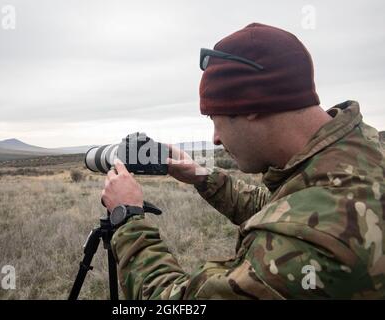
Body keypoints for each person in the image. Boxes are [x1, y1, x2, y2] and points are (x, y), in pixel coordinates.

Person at [101, 23, 385, 299]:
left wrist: (127, 219)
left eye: (216, 119)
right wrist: (202, 176)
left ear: (250, 105)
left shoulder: (308, 242)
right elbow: (284, 209)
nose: (215, 138)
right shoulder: (358, 153)